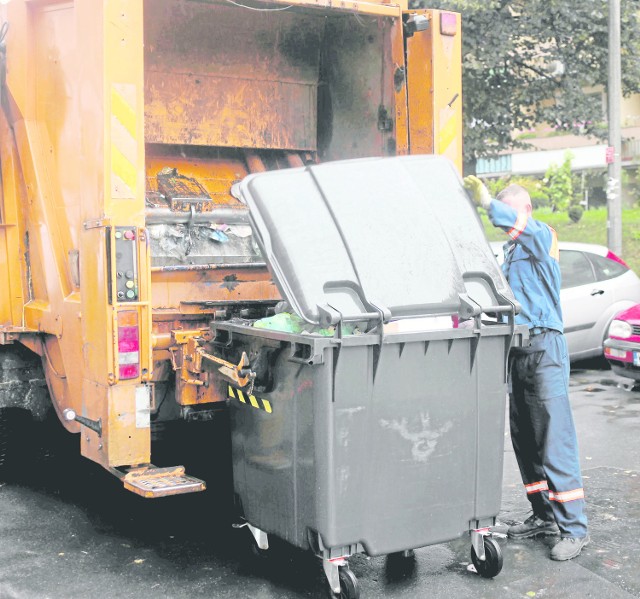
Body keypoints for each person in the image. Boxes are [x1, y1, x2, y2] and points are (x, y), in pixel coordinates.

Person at [464, 176, 589, 561]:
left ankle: (574, 529)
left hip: (545, 346)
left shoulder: (541, 236)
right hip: (517, 350)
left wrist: (487, 203)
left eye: (511, 211)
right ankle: (543, 517)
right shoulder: (511, 251)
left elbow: (518, 225)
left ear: (526, 209)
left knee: (554, 437)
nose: (508, 222)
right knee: (526, 439)